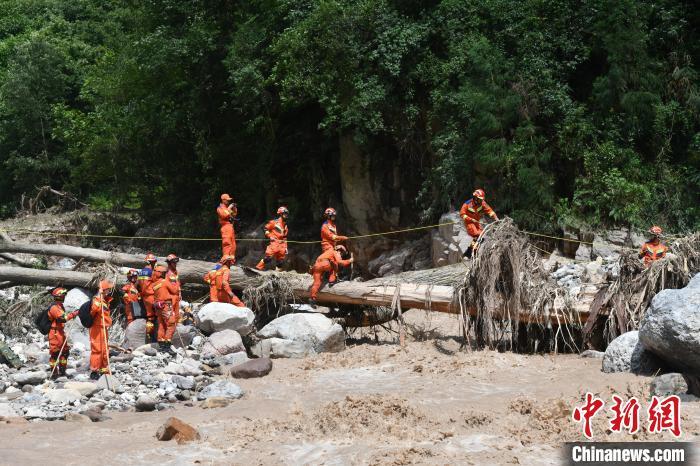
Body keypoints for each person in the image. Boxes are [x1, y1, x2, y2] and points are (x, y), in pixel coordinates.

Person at [47, 288, 78, 379]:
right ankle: (54, 373)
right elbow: (62, 318)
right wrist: (74, 314)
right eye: (63, 295)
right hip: (55, 333)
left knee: (65, 352)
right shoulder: (54, 307)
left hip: (60, 332)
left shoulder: (60, 306)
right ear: (59, 296)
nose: (64, 297)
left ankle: (62, 371)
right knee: (55, 353)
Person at [460, 189, 498, 258]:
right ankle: (473, 252)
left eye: (481, 199)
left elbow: (490, 211)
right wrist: (471, 219)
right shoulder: (467, 204)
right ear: (475, 198)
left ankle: (469, 251)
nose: (481, 201)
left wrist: (496, 218)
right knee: (477, 235)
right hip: (469, 223)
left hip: (476, 223)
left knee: (481, 236)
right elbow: (462, 214)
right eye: (479, 199)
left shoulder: (482, 203)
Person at [89, 280, 114, 380]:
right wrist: (99, 299)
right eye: (108, 289)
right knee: (97, 349)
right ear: (103, 289)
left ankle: (103, 369)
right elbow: (93, 311)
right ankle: (94, 371)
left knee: (104, 349)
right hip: (97, 328)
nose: (109, 290)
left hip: (104, 327)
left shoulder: (104, 300)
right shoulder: (97, 299)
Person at [152, 264, 177, 355]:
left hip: (158, 306)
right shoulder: (165, 282)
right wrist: (174, 282)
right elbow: (174, 290)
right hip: (166, 306)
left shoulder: (154, 284)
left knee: (161, 325)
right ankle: (167, 345)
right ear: (162, 274)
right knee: (171, 325)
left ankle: (161, 344)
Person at [256, 206, 289, 271]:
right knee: (268, 258)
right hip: (274, 243)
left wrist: (286, 247)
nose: (286, 215)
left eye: (287, 214)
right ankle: (258, 268)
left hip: (282, 245)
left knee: (280, 261)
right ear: (281, 214)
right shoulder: (274, 222)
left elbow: (285, 237)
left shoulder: (285, 225)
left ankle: (278, 273)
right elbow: (265, 228)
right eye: (285, 214)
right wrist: (270, 236)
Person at [137, 253, 158, 342]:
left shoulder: (141, 272)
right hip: (152, 296)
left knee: (150, 317)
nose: (155, 264)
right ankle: (155, 338)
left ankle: (149, 337)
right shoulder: (152, 272)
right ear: (151, 262)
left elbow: (138, 284)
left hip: (145, 298)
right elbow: (157, 283)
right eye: (154, 262)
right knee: (157, 316)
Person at [217, 193, 238, 261]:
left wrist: (234, 208)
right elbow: (225, 215)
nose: (228, 201)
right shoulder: (220, 208)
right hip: (225, 226)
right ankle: (226, 255)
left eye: (229, 200)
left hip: (230, 226)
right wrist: (229, 208)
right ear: (223, 200)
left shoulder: (227, 208)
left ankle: (232, 256)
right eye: (227, 200)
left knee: (233, 242)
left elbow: (234, 215)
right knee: (227, 241)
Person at [165, 254, 181, 321]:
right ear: (169, 263)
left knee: (177, 316)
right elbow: (165, 286)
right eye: (173, 262)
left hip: (176, 296)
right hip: (170, 297)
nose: (175, 264)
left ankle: (177, 328)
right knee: (170, 317)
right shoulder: (166, 273)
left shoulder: (176, 272)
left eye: (176, 262)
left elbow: (178, 283)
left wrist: (180, 293)